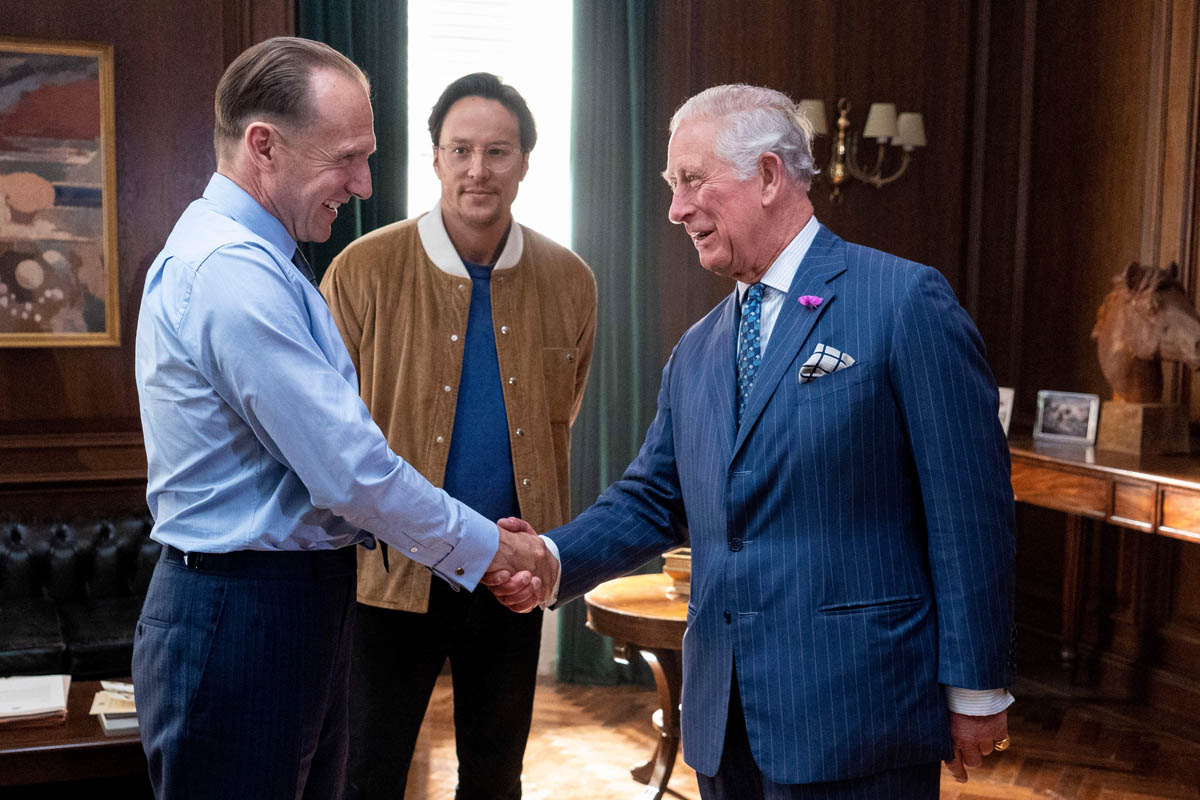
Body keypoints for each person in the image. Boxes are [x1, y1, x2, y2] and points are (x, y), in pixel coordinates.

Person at [486, 84, 1017, 799]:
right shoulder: (697, 350)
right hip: (723, 721)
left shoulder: (903, 302)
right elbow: (652, 499)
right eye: (671, 186)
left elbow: (969, 511)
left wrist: (977, 686)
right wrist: (550, 558)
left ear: (768, 176)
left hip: (858, 712)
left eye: (692, 180)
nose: (676, 209)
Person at [132, 39, 541, 799]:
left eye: (367, 157)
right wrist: (490, 550)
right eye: (345, 158)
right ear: (264, 145)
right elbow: (350, 471)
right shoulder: (232, 274)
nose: (361, 185)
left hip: (285, 607)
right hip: (244, 614)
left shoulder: (263, 259)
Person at [320, 72, 596, 800]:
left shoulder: (570, 280)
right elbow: (326, 428)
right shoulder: (362, 270)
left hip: (511, 573)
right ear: (436, 158)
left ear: (525, 162)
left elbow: (561, 412)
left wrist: (527, 555)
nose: (479, 170)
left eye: (498, 152)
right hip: (388, 573)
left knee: (497, 776)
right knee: (367, 772)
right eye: (461, 150)